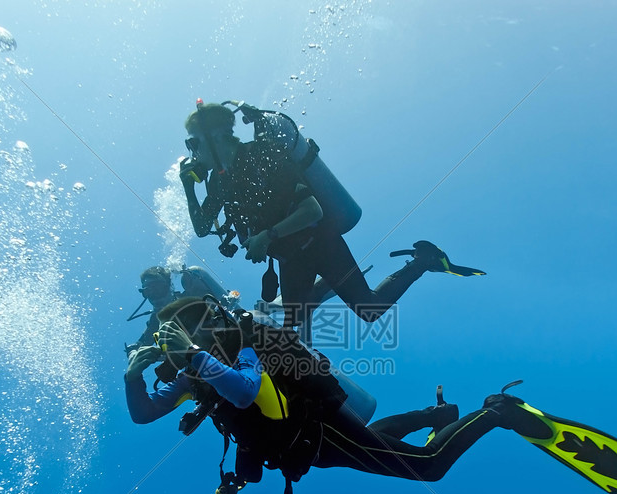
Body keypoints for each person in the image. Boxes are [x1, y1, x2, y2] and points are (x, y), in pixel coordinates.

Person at [124, 298, 617, 494]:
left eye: (179, 336)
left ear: (198, 329)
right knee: (381, 444)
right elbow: (144, 413)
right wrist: (132, 377)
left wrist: (192, 355)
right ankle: (437, 415)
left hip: (318, 429)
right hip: (309, 449)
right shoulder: (194, 379)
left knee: (429, 466)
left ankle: (498, 410)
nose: (173, 353)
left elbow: (244, 390)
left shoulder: (236, 345)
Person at [179, 101, 465, 343]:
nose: (193, 151)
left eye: (194, 142)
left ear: (216, 136)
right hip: (290, 258)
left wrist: (266, 237)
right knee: (293, 327)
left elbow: (312, 210)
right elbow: (202, 228)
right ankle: (322, 290)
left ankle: (424, 260)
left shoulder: (262, 155)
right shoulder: (218, 182)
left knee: (369, 310)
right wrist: (188, 186)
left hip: (321, 243)